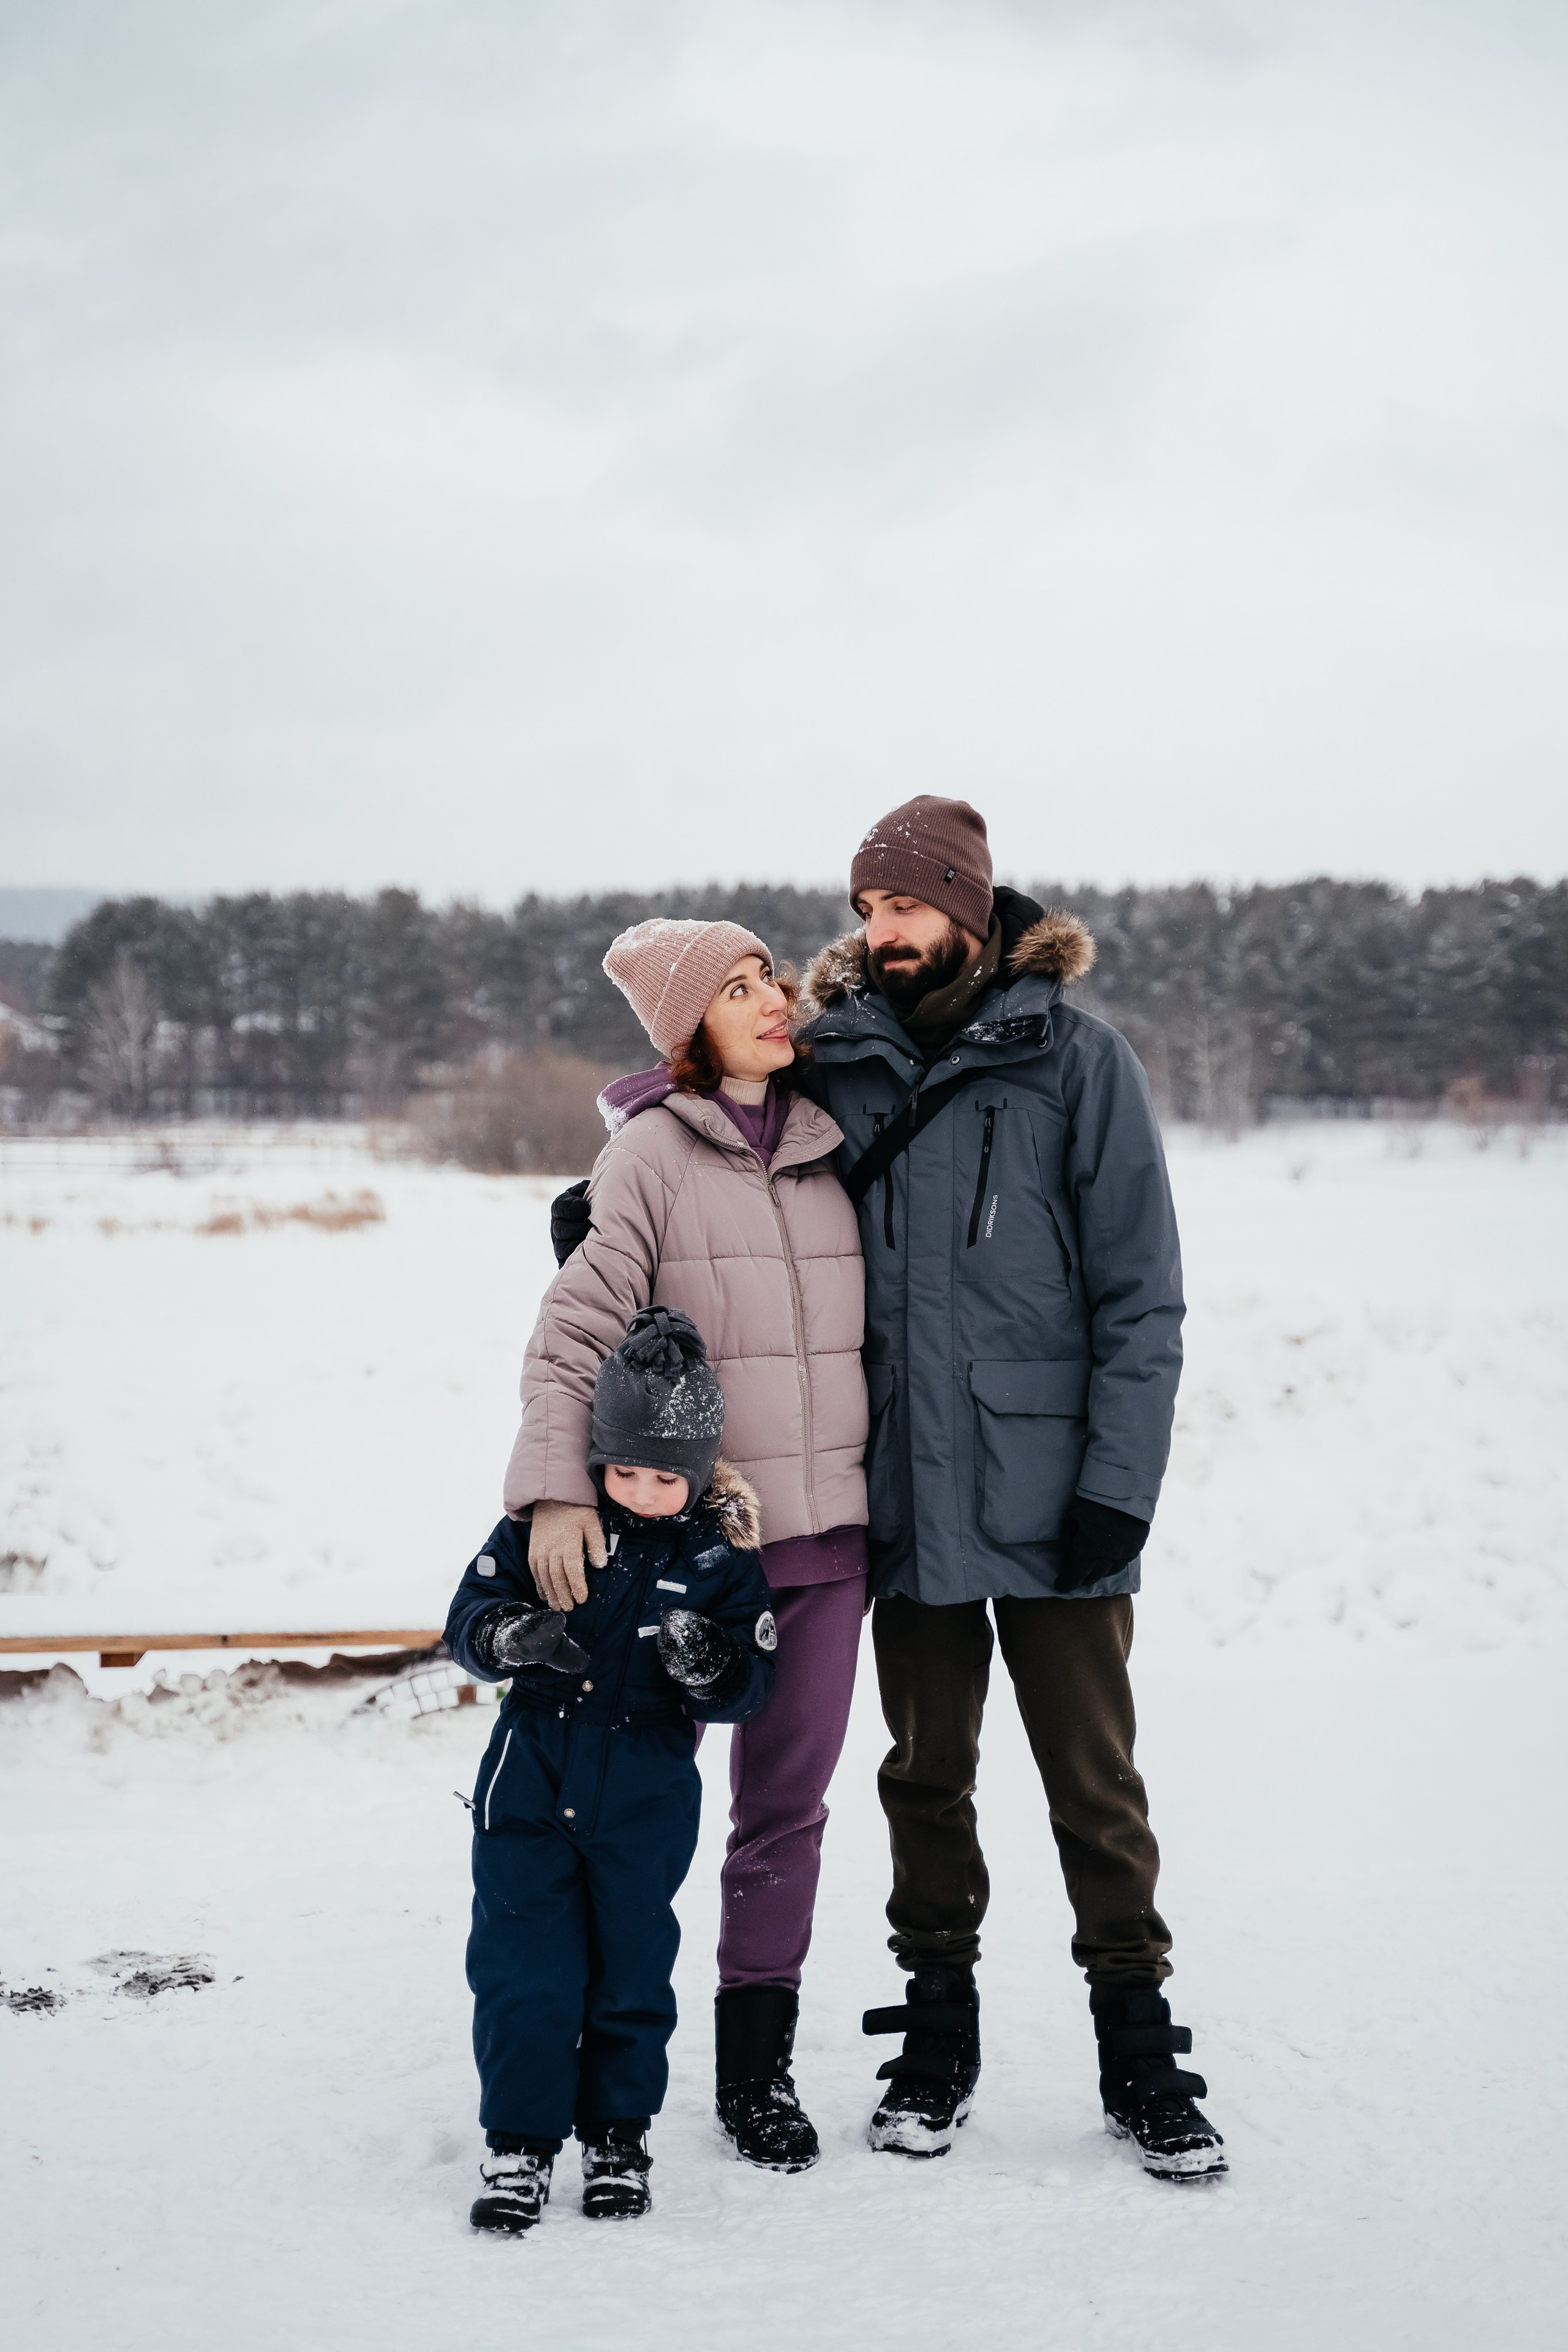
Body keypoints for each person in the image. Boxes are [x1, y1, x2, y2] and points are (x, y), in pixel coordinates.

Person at [795, 793, 1226, 2183]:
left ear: (970, 909)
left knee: (1091, 1781)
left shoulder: (1078, 1062)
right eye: (868, 910)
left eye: (907, 905)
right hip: (900, 1495)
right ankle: (936, 2030)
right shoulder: (829, 1065)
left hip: (1057, 1500)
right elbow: (712, 1164)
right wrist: (609, 1191)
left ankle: (1137, 2044)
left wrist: (1118, 1486)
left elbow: (1140, 1298)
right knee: (923, 1776)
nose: (885, 932)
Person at [507, 916, 869, 2171]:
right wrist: (558, 1492)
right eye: (735, 986)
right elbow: (571, 1335)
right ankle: (603, 2068)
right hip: (689, 1549)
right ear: (683, 1028)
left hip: (827, 1540)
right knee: (635, 1816)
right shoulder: (651, 1157)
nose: (772, 998)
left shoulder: (834, 1143)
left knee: (786, 1810)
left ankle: (755, 2070)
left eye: (769, 975)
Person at [447, 1306, 778, 2234]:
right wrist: (511, 1634)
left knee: (631, 1969)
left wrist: (709, 1665)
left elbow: (751, 1686)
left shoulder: (723, 1559)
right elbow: (464, 1621)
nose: (639, 1489)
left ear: (702, 1469)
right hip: (531, 1774)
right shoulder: (544, 1529)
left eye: (665, 1476)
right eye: (622, 1467)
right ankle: (519, 2144)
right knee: (524, 1969)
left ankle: (618, 2137)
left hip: (644, 1790)